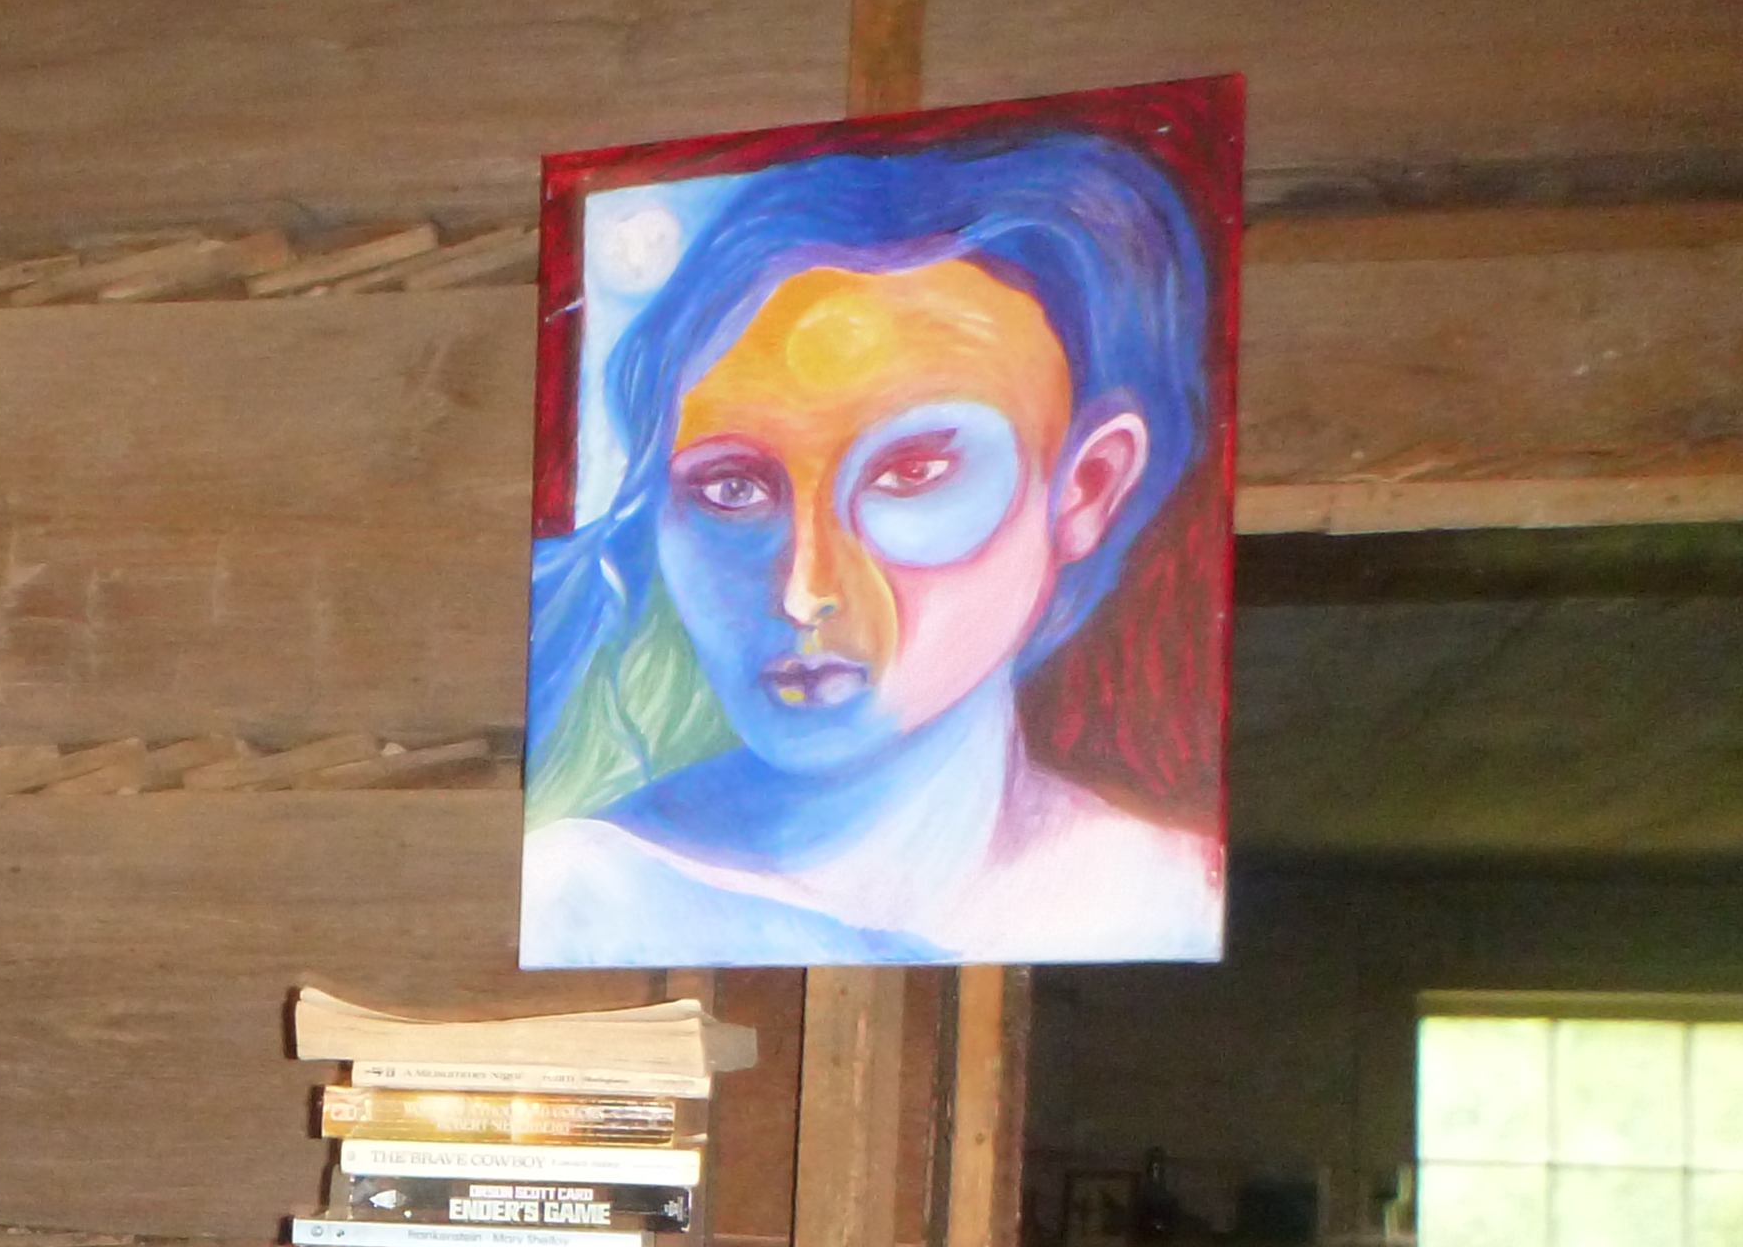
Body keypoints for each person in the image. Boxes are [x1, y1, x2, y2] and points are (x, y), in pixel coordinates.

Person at [522, 130, 1223, 967]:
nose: (803, 591)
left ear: (1087, 488)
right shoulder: (581, 895)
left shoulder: (1171, 897)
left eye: (912, 472)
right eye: (732, 488)